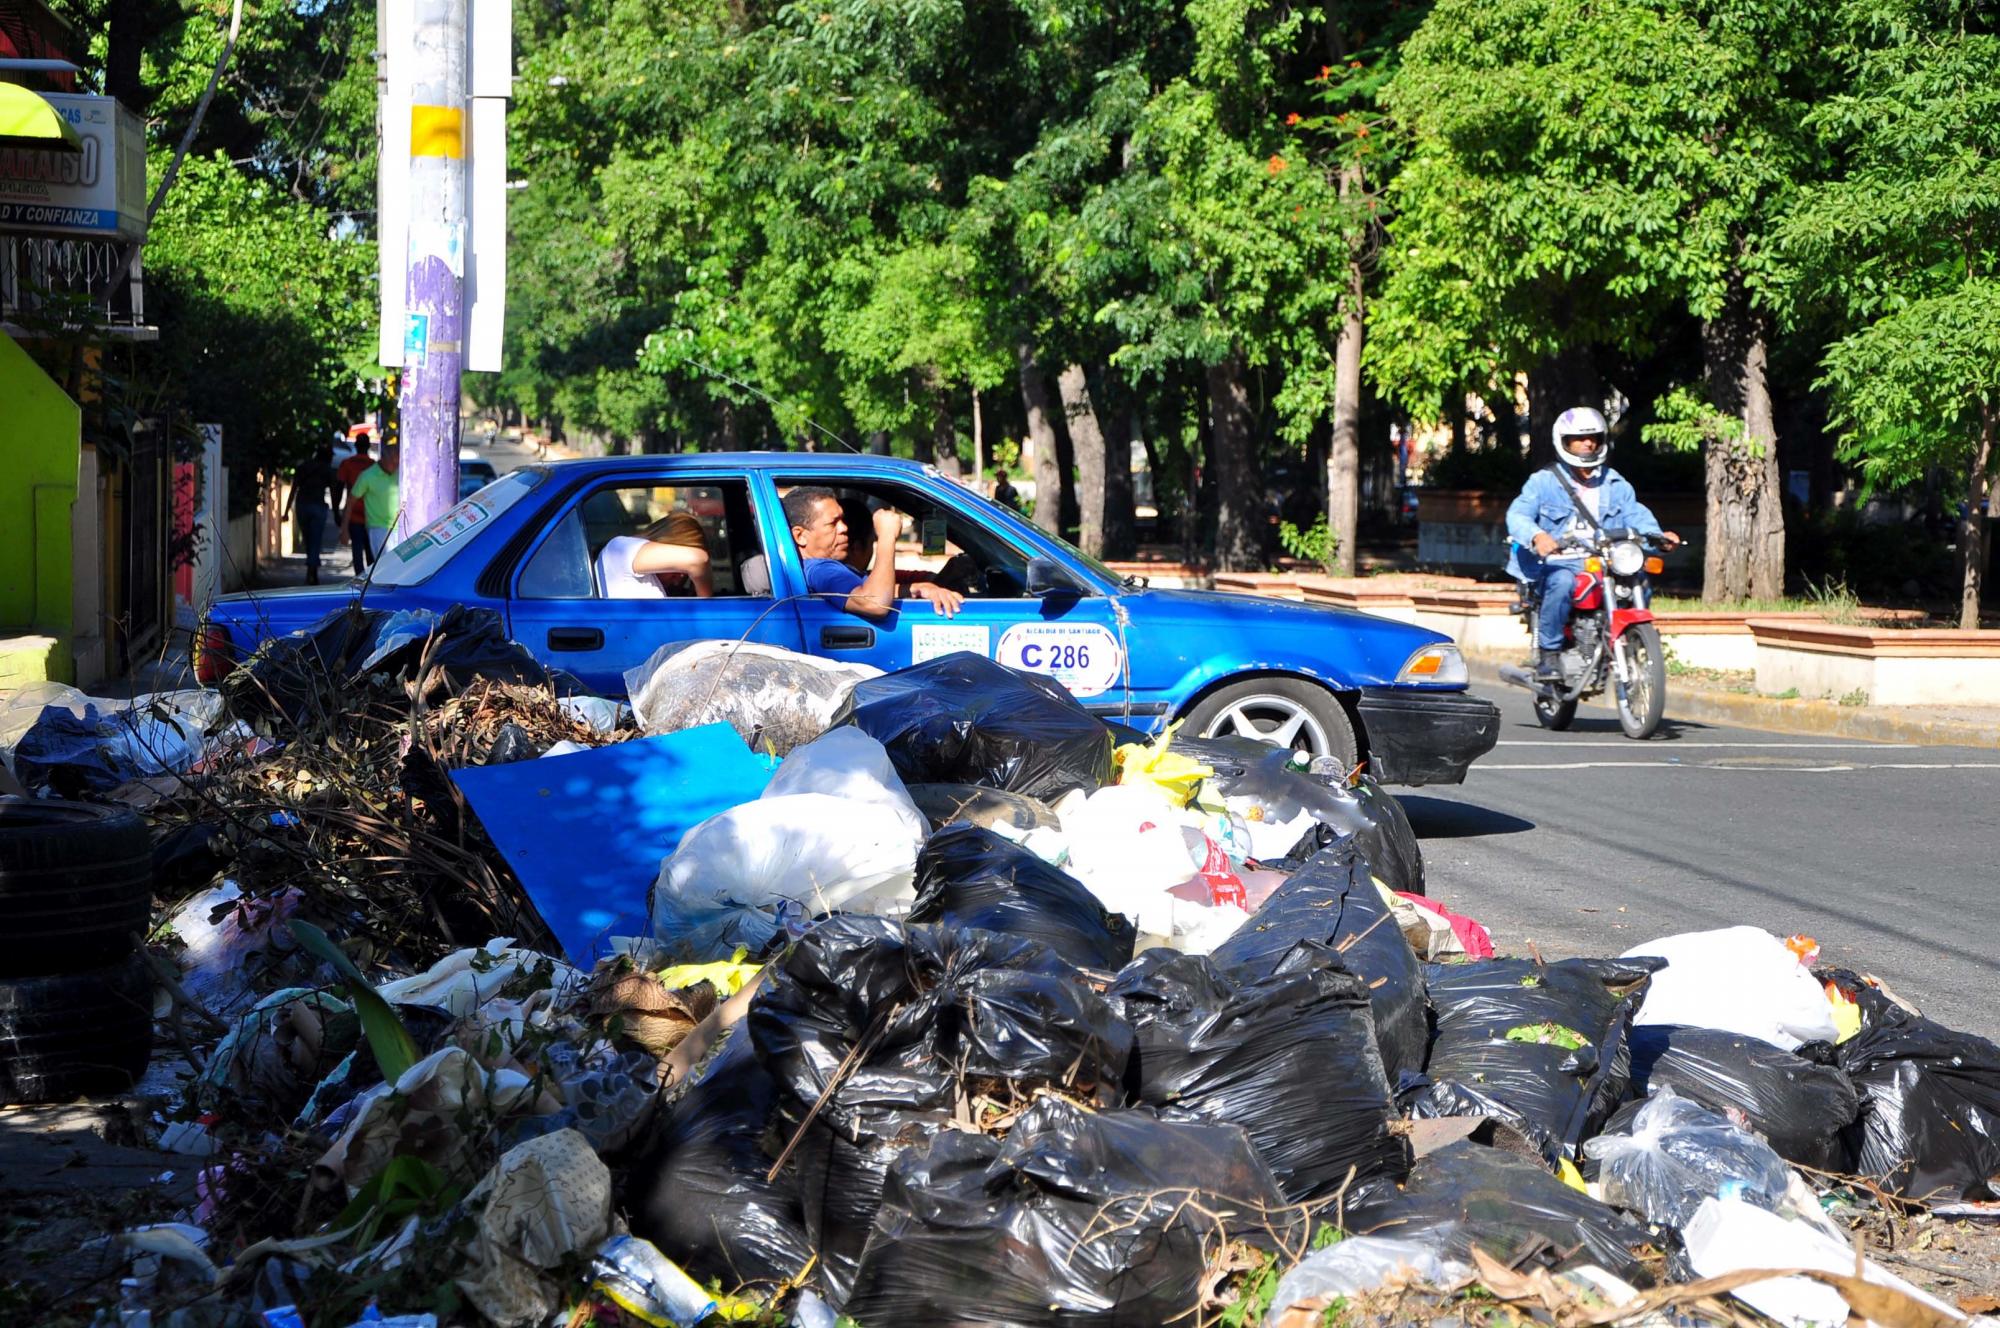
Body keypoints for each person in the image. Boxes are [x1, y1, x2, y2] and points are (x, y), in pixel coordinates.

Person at [1506, 407, 1681, 681]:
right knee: (1562, 582)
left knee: (1639, 578)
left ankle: (1630, 639)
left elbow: (1635, 514)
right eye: (1579, 438)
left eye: (1594, 438)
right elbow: (1517, 515)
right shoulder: (1543, 483)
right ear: (1564, 441)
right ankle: (1549, 654)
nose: (1588, 443)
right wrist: (1537, 536)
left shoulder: (1614, 483)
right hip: (1558, 563)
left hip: (1604, 559)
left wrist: (1658, 537)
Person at [784, 486, 963, 618]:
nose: (844, 528)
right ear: (800, 536)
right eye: (833, 523)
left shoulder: (822, 568)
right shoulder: (821, 570)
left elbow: (866, 590)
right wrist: (887, 536)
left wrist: (920, 588)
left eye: (842, 521)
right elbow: (874, 603)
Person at [596, 511, 714, 598]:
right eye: (678, 570)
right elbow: (698, 560)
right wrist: (707, 607)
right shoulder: (621, 548)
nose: (677, 582)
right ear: (667, 542)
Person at [282, 444, 338, 585]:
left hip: (302, 507)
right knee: (315, 539)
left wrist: (286, 511)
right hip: (318, 508)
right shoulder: (328, 470)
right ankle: (312, 570)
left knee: (308, 539)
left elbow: (294, 489)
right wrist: (337, 513)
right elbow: (333, 493)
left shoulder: (303, 467)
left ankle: (311, 569)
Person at [347, 441, 402, 560]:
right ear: (383, 459)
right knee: (385, 566)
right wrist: (344, 529)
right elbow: (351, 501)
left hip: (401, 527)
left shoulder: (401, 473)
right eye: (393, 462)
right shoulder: (367, 476)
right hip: (378, 529)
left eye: (398, 462)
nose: (396, 465)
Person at [336, 435, 376, 573]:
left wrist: (337, 512)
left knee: (357, 553)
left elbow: (338, 489)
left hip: (353, 515)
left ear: (356, 446)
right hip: (371, 515)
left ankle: (360, 583)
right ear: (369, 446)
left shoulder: (347, 464)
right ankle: (371, 584)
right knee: (371, 554)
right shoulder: (374, 465)